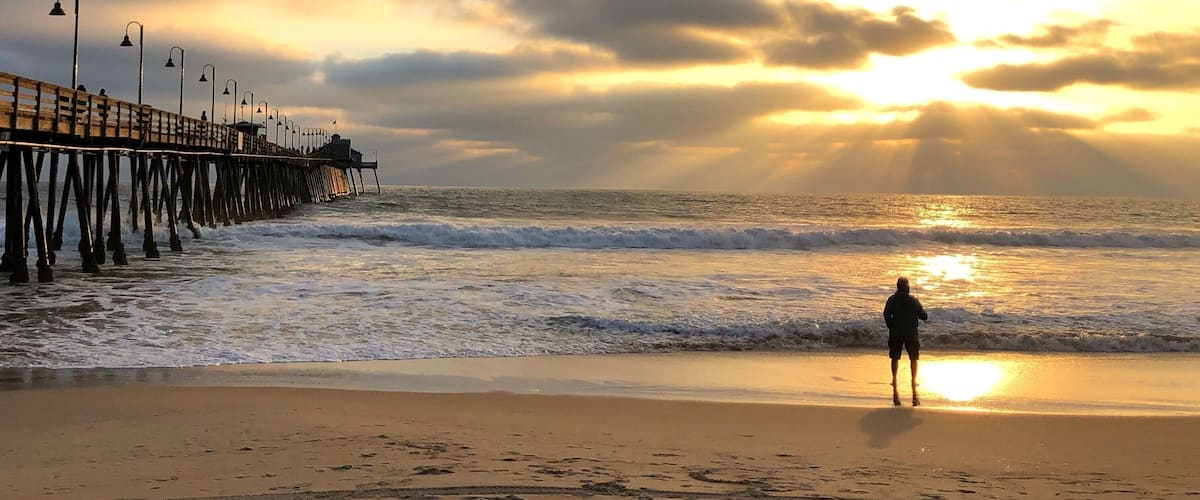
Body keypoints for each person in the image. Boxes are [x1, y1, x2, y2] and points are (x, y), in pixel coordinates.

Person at [883, 277, 928, 406]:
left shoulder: (892, 300)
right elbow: (924, 316)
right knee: (913, 358)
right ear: (907, 287)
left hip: (896, 333)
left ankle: (894, 378)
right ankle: (913, 380)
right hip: (911, 334)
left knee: (895, 358)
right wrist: (921, 307)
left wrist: (891, 326)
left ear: (897, 286)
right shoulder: (913, 300)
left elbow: (886, 314)